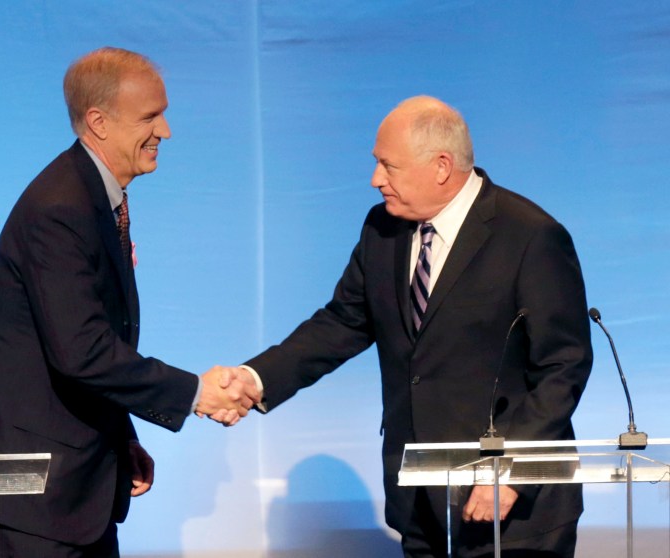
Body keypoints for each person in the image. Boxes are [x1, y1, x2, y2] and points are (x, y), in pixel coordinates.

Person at [222, 96, 593, 557]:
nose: (376, 180)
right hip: (419, 499)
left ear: (441, 166)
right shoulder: (383, 228)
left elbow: (563, 364)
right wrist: (255, 379)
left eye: (388, 166)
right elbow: (342, 322)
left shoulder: (530, 235)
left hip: (511, 512)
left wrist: (509, 469)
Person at [0, 47, 258, 557]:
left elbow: (86, 343)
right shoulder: (59, 209)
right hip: (34, 493)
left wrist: (119, 439)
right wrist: (195, 392)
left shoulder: (96, 197)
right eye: (150, 116)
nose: (165, 131)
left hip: (79, 482)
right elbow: (82, 351)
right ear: (98, 122)